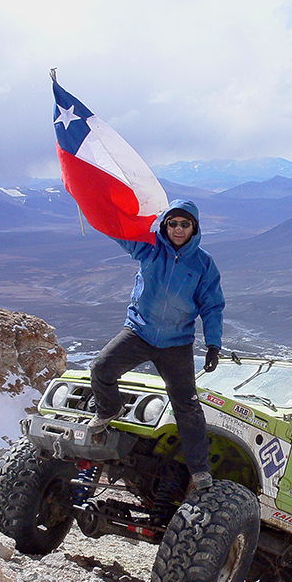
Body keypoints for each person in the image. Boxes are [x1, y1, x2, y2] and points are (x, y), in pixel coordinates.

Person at [87, 199, 224, 491]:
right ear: (165, 225)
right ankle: (109, 409)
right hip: (138, 333)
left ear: (194, 228)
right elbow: (120, 232)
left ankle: (199, 470)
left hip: (176, 344)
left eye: (184, 224)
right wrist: (96, 205)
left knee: (187, 406)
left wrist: (213, 343)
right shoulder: (149, 248)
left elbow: (212, 306)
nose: (177, 229)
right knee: (101, 368)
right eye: (172, 223)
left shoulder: (203, 263)